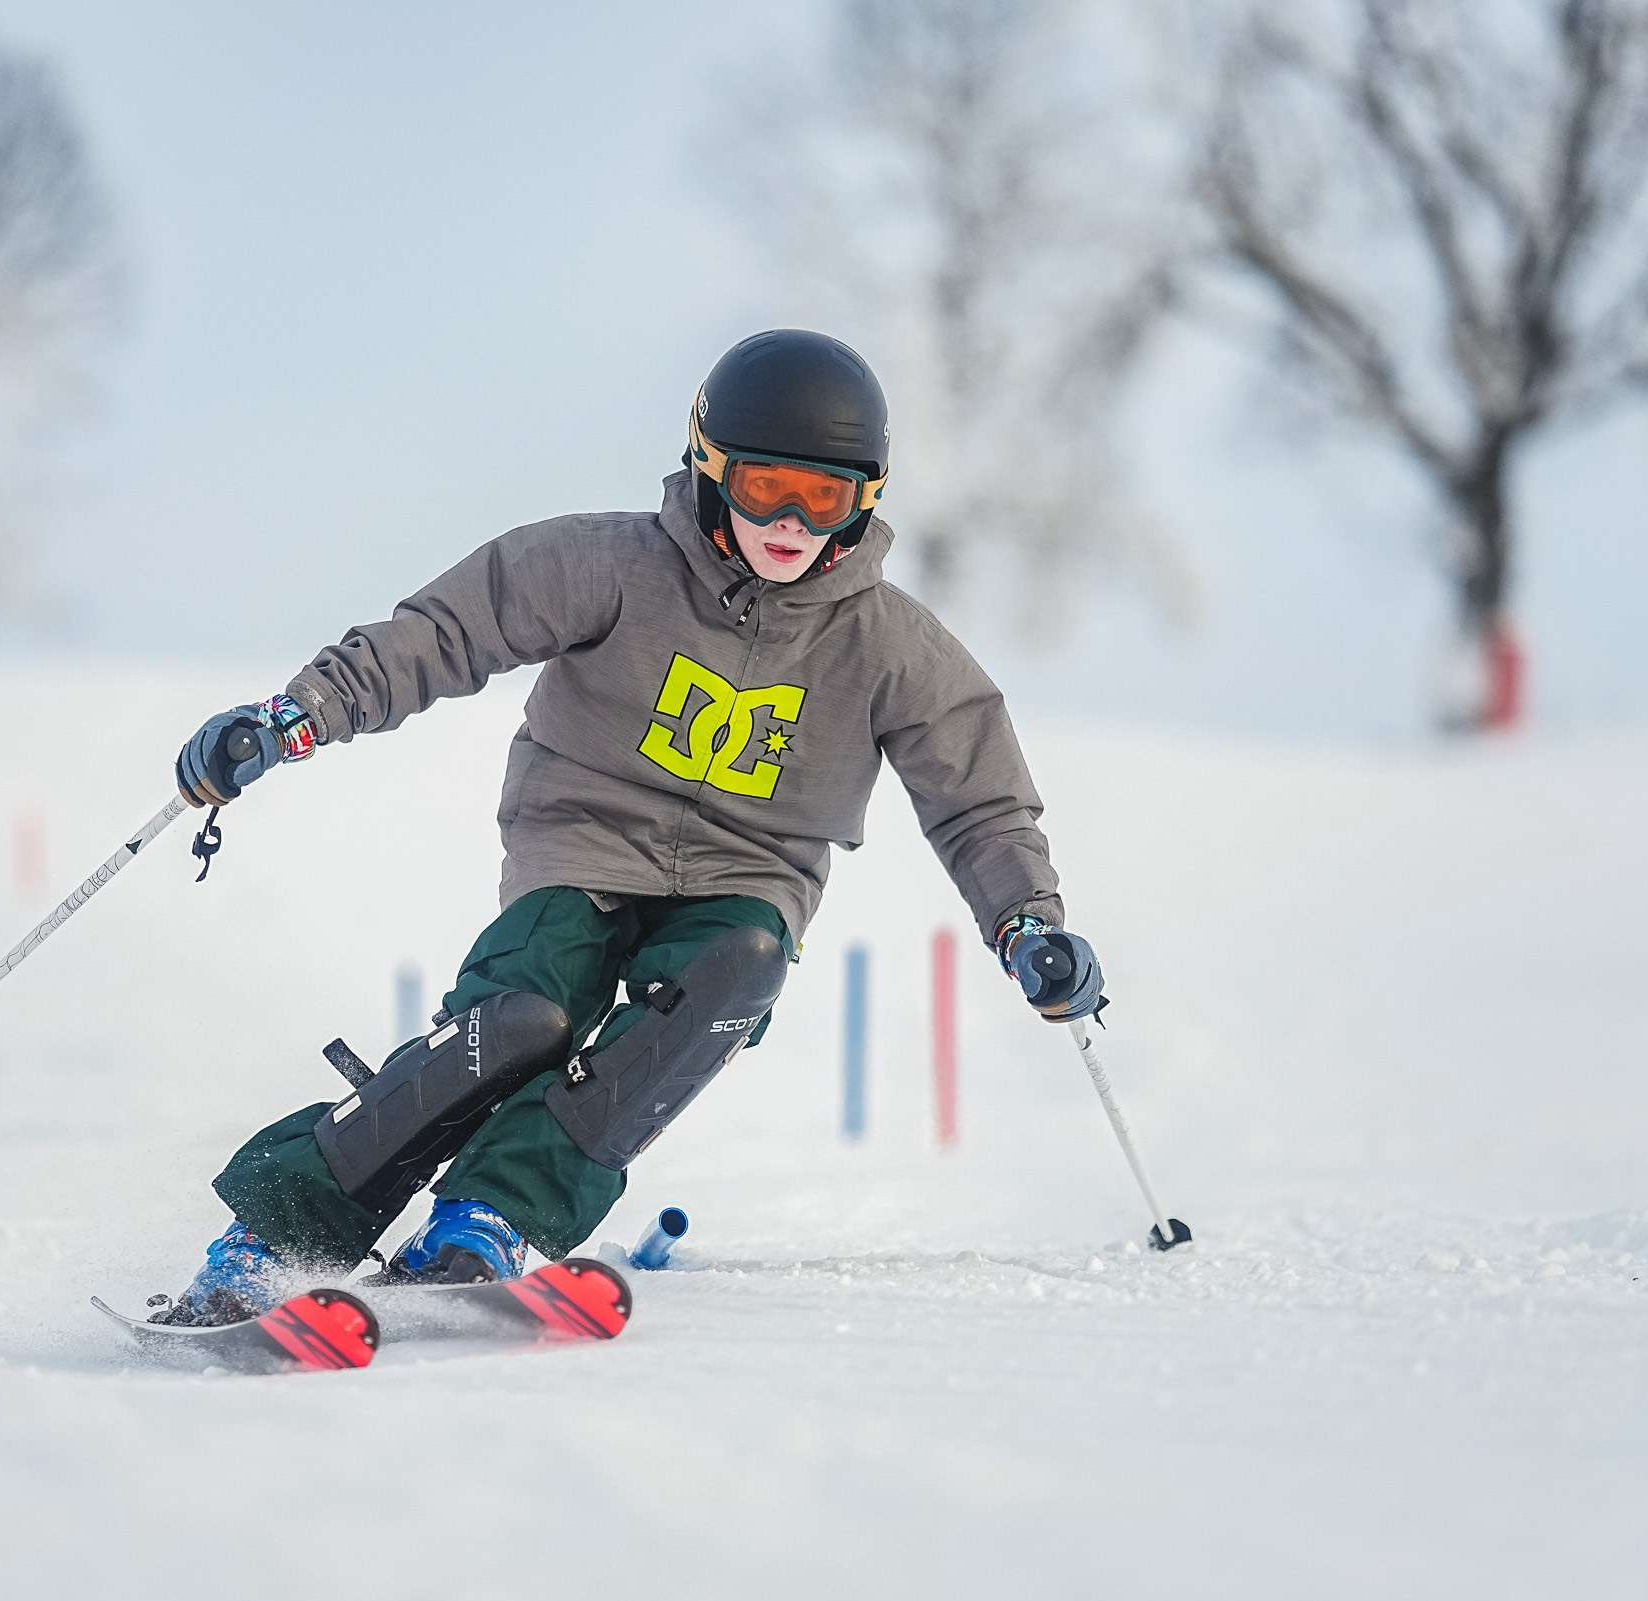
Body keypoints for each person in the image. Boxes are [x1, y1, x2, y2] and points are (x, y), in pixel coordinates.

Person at [150, 330, 1105, 1325]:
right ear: (708, 467)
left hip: (750, 874)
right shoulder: (609, 565)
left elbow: (978, 799)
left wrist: (1025, 924)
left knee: (733, 971)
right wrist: (295, 717)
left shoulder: (889, 645)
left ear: (864, 499)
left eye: (821, 498)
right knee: (526, 1017)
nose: (787, 521)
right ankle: (280, 1232)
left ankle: (487, 1220)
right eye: (763, 485)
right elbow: (444, 633)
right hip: (581, 846)